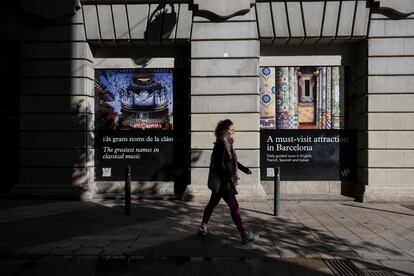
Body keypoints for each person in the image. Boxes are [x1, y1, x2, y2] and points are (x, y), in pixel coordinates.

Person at [197, 119, 259, 244]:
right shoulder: (221, 144)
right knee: (234, 206)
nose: (233, 132)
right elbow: (219, 165)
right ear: (224, 131)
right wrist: (226, 180)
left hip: (223, 182)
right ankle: (244, 234)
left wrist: (244, 169)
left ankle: (203, 226)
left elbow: (231, 161)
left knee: (212, 204)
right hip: (224, 183)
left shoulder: (227, 144)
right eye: (231, 130)